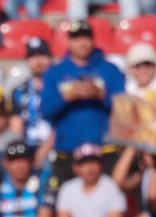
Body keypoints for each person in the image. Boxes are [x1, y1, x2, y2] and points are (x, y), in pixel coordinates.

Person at [40, 20, 125, 183]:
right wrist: (65, 97)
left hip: (104, 150)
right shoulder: (55, 72)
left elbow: (123, 109)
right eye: (76, 38)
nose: (82, 43)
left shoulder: (110, 70)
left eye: (86, 37)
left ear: (93, 40)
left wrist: (101, 95)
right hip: (68, 153)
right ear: (68, 41)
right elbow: (45, 111)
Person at [10, 37, 55, 168]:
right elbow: (16, 125)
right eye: (33, 56)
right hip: (28, 148)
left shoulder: (59, 89)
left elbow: (62, 124)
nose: (38, 61)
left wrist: (43, 152)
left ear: (50, 58)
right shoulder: (19, 91)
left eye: (42, 55)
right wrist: (21, 154)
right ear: (27, 61)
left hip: (54, 148)